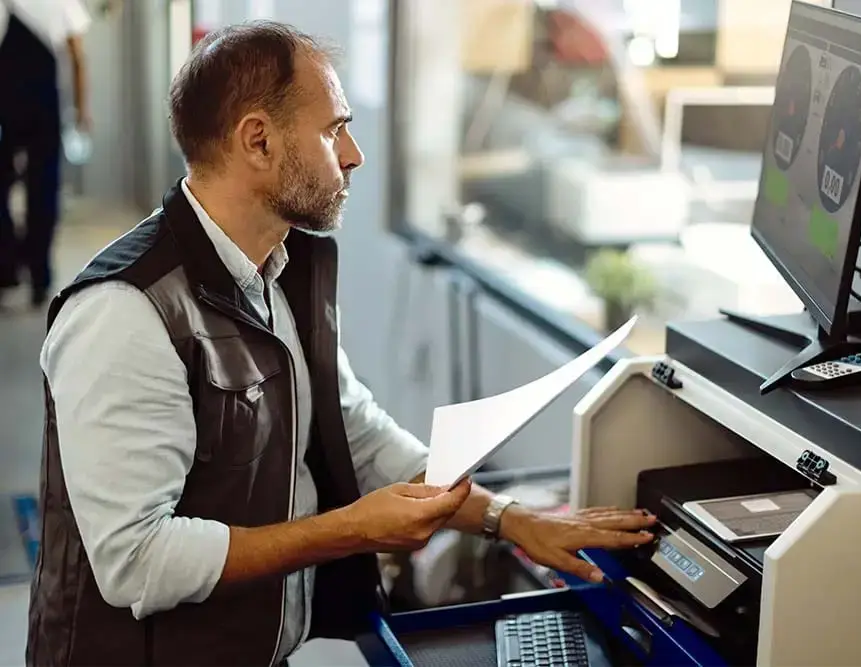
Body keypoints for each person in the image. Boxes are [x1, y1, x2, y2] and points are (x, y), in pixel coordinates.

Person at [27, 21, 655, 666]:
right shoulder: (124, 311)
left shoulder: (283, 268)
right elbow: (136, 562)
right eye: (332, 130)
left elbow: (353, 430)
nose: (353, 154)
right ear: (258, 140)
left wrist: (511, 519)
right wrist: (351, 530)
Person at [0, 0, 91, 308]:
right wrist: (81, 109)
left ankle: (7, 266)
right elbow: (77, 56)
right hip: (44, 105)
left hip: (5, 105)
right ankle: (40, 275)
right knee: (43, 189)